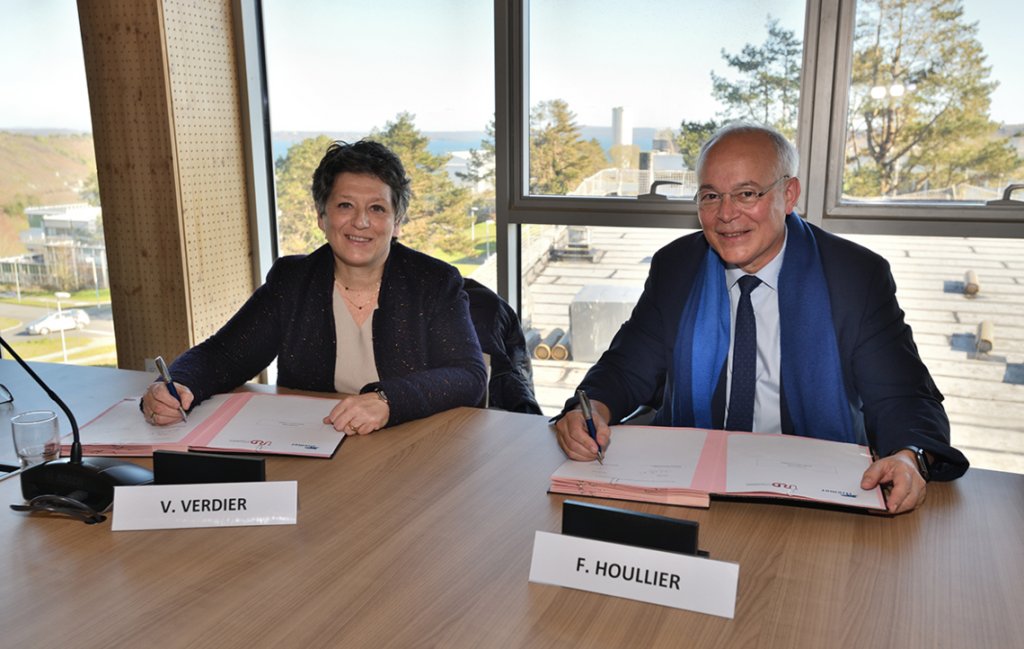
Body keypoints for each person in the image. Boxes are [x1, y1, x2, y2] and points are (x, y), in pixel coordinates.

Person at [554, 122, 968, 513]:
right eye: (711, 195)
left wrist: (909, 455)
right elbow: (628, 368)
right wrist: (590, 412)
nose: (726, 214)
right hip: (693, 486)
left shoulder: (854, 276)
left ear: (789, 195)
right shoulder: (677, 266)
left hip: (817, 492)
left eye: (747, 193)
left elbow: (902, 394)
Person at [142, 140, 487, 434]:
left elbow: (468, 376)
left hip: (411, 447)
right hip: (314, 445)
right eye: (345, 205)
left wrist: (388, 401)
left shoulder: (433, 282)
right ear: (322, 217)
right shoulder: (293, 282)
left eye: (377, 208)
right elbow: (225, 355)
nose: (361, 222)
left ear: (397, 222)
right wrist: (178, 384)